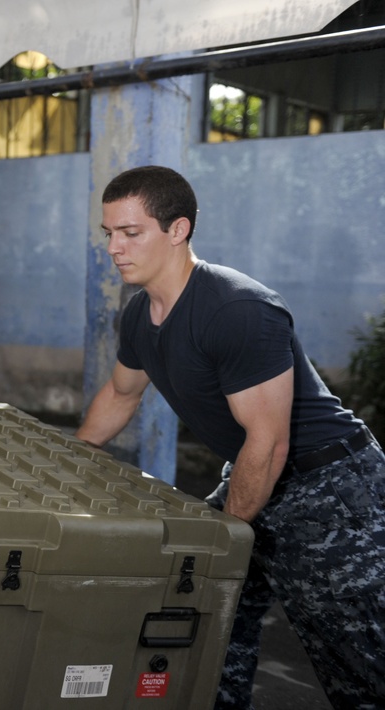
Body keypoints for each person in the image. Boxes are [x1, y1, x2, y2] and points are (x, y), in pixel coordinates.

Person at [75, 165, 385, 709]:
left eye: (131, 233)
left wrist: (226, 537)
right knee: (203, 630)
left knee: (358, 665)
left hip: (331, 489)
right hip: (252, 473)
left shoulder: (236, 308)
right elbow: (121, 396)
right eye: (109, 234)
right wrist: (72, 458)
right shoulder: (140, 316)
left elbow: (269, 442)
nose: (115, 249)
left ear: (178, 230)